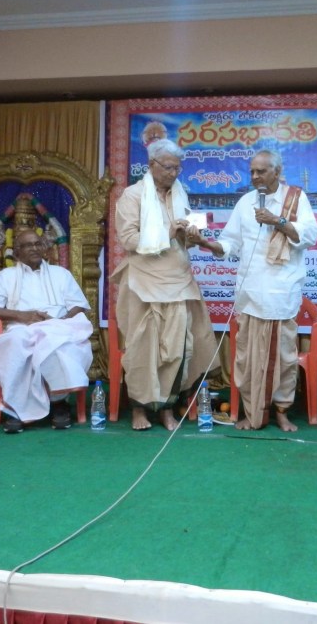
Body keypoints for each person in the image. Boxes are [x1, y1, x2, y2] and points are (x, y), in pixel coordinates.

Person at [191, 149, 317, 432]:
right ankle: (253, 412)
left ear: (277, 172)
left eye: (261, 171)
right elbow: (230, 242)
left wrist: (278, 221)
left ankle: (281, 411)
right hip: (250, 294)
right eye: (252, 171)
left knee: (283, 358)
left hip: (281, 293)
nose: (255, 176)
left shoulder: (295, 199)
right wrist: (208, 244)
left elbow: (310, 235)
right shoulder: (246, 202)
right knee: (247, 358)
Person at [111, 138, 219, 431]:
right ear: (151, 165)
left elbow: (183, 241)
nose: (174, 173)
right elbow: (129, 239)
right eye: (169, 167)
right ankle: (139, 409)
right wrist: (168, 232)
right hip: (144, 282)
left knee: (178, 348)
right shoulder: (132, 196)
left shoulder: (180, 194)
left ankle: (167, 408)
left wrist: (192, 236)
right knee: (142, 349)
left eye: (177, 168)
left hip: (178, 279)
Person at [0, 230, 93, 434]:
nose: (34, 248)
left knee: (56, 342)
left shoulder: (61, 274)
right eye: (28, 245)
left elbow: (79, 305)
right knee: (15, 344)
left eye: (37, 244)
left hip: (56, 326)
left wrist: (61, 321)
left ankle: (59, 402)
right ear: (16, 252)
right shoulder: (6, 276)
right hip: (20, 327)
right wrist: (22, 316)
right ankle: (16, 409)